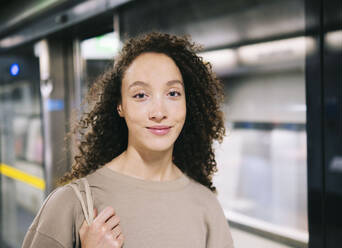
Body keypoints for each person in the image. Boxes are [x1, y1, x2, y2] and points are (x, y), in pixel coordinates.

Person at [22, 32, 234, 248]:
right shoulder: (72, 203)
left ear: (188, 103)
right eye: (141, 95)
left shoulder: (206, 206)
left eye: (173, 93)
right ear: (120, 106)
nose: (159, 112)